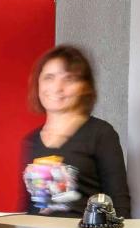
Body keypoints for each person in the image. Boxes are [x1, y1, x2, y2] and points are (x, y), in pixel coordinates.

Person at [21, 44, 131, 218]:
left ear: (85, 87)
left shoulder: (101, 134)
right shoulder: (31, 140)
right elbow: (27, 211)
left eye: (69, 79)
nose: (57, 87)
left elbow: (120, 206)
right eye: (49, 77)